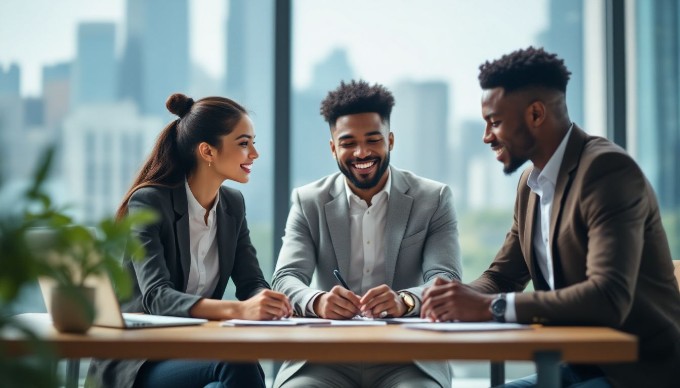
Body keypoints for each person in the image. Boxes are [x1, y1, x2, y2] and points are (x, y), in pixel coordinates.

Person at [421, 47, 680, 388]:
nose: (487, 137)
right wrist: (443, 299)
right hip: (577, 365)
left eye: (495, 122)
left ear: (537, 114)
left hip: (638, 372)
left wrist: (491, 308)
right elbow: (502, 277)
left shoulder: (607, 172)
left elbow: (607, 297)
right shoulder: (531, 185)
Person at [86, 93, 292, 388]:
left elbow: (250, 283)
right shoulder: (150, 202)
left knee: (232, 372)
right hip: (140, 358)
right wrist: (238, 310)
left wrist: (269, 301)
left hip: (196, 349)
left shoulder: (232, 205)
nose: (254, 154)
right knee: (236, 361)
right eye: (244, 143)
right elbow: (157, 297)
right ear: (208, 151)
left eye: (253, 143)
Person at [272, 80, 461, 388]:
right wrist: (317, 301)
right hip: (324, 357)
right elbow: (286, 278)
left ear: (390, 140)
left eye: (373, 140)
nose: (362, 152)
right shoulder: (308, 201)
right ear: (333, 147)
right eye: (348, 143)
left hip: (408, 357)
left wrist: (406, 301)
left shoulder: (434, 198)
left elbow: (446, 279)